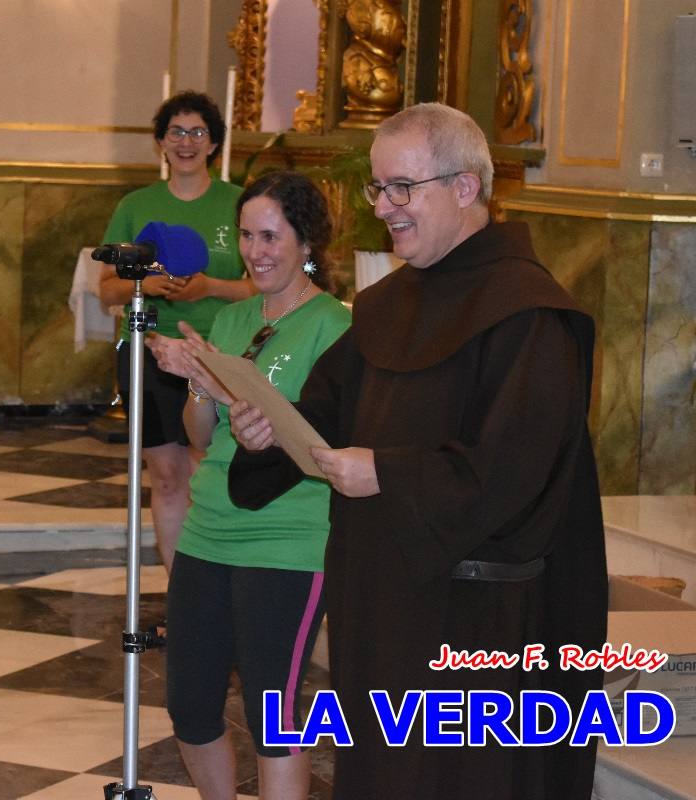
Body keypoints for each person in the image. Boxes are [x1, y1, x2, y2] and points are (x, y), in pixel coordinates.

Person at [227, 103, 608, 799]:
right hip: (382, 604)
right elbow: (321, 412)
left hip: (476, 623)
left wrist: (386, 473)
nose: (386, 209)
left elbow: (512, 470)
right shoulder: (388, 305)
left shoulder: (530, 314)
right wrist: (267, 432)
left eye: (403, 188)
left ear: (466, 188)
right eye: (378, 189)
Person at [151, 172, 351, 799]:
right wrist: (200, 385)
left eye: (271, 236)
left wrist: (269, 423)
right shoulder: (232, 319)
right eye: (246, 235)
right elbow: (201, 439)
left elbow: (331, 448)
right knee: (190, 705)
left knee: (277, 722)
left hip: (287, 539)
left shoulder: (335, 327)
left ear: (306, 242)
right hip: (208, 533)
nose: (256, 251)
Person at [97, 90, 255, 571]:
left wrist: (210, 286)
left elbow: (262, 285)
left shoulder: (238, 204)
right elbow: (106, 290)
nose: (186, 141)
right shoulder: (135, 205)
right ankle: (180, 590)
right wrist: (148, 283)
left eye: (198, 132)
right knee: (166, 477)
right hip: (149, 349)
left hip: (220, 350)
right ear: (161, 143)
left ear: (214, 144)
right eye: (176, 132)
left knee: (205, 468)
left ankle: (216, 579)